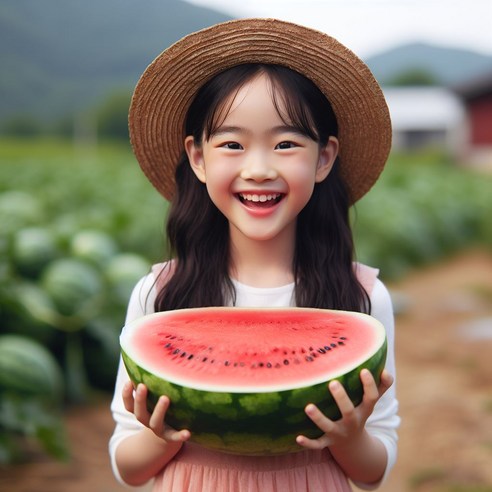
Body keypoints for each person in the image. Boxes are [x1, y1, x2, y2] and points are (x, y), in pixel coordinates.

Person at [109, 18, 400, 492]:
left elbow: (374, 471)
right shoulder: (158, 294)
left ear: (324, 158)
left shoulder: (364, 298)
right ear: (198, 158)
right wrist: (158, 437)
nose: (259, 169)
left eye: (286, 144)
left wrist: (349, 438)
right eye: (232, 144)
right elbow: (128, 465)